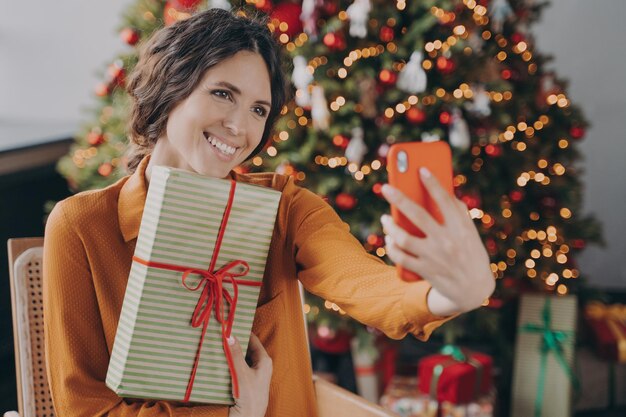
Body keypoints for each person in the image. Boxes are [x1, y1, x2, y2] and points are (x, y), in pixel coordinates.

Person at [43, 7, 495, 417]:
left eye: (258, 109)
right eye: (223, 94)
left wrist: (450, 295)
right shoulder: (81, 226)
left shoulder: (284, 208)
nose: (240, 127)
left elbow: (363, 282)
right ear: (170, 88)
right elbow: (83, 410)